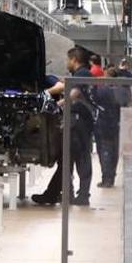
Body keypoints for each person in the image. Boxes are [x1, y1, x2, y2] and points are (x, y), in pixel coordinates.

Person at [32, 47, 96, 206]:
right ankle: (61, 194)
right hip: (78, 122)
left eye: (68, 59)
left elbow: (74, 94)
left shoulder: (82, 74)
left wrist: (56, 104)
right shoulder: (82, 74)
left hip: (78, 123)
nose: (67, 63)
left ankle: (78, 195)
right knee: (66, 160)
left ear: (74, 59)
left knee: (78, 159)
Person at [93, 67, 124, 188]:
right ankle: (112, 177)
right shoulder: (121, 90)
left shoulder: (102, 90)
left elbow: (94, 100)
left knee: (104, 150)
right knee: (114, 150)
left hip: (103, 123)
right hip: (116, 123)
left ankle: (106, 178)